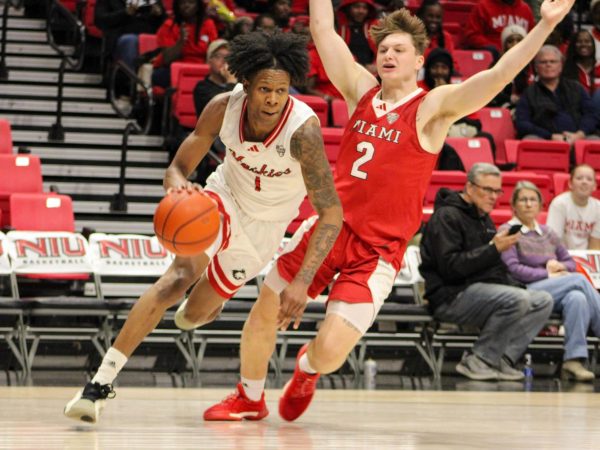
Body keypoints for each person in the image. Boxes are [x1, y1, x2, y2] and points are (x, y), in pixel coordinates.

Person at [201, 0, 576, 422]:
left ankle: (306, 370)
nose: (388, 56)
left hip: (377, 250)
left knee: (329, 352)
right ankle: (249, 398)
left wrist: (544, 24)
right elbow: (323, 31)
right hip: (329, 230)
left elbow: (499, 75)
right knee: (264, 308)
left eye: (398, 50)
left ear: (419, 58)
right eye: (383, 50)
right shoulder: (361, 90)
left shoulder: (433, 109)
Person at [63, 30, 343, 424]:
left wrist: (303, 281)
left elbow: (331, 213)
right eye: (265, 89)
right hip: (222, 198)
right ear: (245, 83)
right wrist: (180, 188)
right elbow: (177, 168)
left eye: (281, 91)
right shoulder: (221, 108)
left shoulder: (304, 132)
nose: (273, 100)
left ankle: (210, 299)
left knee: (191, 316)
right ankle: (99, 384)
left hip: (265, 229)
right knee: (175, 278)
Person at [420, 165, 553, 381]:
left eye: (497, 191)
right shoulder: (446, 217)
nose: (494, 197)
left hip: (479, 291)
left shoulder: (484, 219)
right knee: (517, 299)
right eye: (488, 190)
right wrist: (493, 249)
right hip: (450, 296)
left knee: (543, 300)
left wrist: (515, 283)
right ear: (470, 188)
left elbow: (492, 268)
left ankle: (502, 358)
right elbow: (450, 268)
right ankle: (478, 359)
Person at [500, 180, 600, 381]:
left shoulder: (547, 232)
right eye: (523, 200)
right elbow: (513, 269)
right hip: (525, 288)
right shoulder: (508, 231)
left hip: (554, 289)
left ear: (540, 205)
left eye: (533, 200)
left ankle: (573, 360)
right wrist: (548, 275)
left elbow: (570, 262)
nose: (528, 204)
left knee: (577, 298)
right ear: (514, 205)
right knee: (579, 280)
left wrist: (560, 267)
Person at [515, 45, 599, 145]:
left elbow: (592, 114)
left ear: (561, 66)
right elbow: (522, 123)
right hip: (546, 141)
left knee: (595, 141)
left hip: (578, 139)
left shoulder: (576, 88)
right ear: (536, 67)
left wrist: (580, 134)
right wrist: (550, 136)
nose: (548, 65)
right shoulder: (528, 93)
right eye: (543, 62)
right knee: (529, 140)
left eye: (553, 61)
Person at [151, 0, 218, 89]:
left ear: (198, 6)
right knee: (158, 76)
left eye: (191, 2)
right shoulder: (169, 25)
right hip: (176, 68)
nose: (186, 5)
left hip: (201, 69)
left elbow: (213, 53)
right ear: (177, 6)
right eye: (182, 2)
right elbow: (167, 59)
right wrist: (181, 41)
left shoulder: (208, 24)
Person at [95, 0, 166, 73]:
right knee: (130, 41)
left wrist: (159, 14)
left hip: (150, 36)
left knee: (165, 42)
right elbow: (100, 20)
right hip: (121, 35)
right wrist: (125, 13)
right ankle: (131, 80)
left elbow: (167, 23)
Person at [547, 164, 600, 250]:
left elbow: (595, 245)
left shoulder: (598, 208)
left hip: (586, 258)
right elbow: (553, 241)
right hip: (562, 256)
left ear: (594, 186)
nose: (584, 182)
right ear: (570, 183)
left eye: (589, 179)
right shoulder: (559, 204)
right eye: (579, 178)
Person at [464, 0, 535, 59]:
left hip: (521, 57)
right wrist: (495, 48)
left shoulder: (525, 9)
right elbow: (472, 35)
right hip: (494, 58)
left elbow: (533, 37)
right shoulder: (483, 6)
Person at [488, 24, 530, 110]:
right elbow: (489, 91)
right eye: (510, 41)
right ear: (504, 45)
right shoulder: (496, 65)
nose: (515, 44)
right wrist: (509, 99)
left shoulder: (532, 65)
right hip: (503, 106)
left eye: (519, 40)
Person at [193, 39, 237, 117]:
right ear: (209, 60)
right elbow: (221, 110)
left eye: (228, 57)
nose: (225, 61)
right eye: (219, 56)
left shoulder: (238, 84)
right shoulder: (202, 88)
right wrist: (231, 83)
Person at [562, 29, 600, 96]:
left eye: (587, 41)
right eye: (579, 41)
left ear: (593, 45)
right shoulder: (566, 68)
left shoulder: (598, 66)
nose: (583, 44)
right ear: (573, 45)